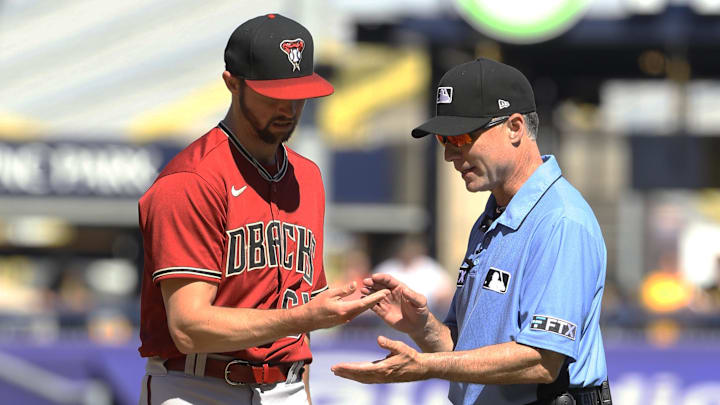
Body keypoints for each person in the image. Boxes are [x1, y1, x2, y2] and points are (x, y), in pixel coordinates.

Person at [137, 14, 388, 405]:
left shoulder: (308, 177)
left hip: (285, 387)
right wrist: (305, 318)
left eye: (298, 92)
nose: (288, 107)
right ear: (232, 83)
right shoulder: (192, 180)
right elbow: (189, 327)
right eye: (273, 93)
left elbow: (299, 323)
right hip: (198, 385)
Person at [332, 57, 613, 405]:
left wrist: (426, 365)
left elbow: (541, 361)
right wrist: (423, 328)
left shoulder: (560, 219)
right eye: (443, 140)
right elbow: (466, 350)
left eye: (462, 137)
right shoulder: (492, 217)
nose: (450, 153)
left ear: (514, 127)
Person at [373, 234, 453, 316]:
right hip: (391, 315)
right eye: (405, 249)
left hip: (427, 315)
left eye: (411, 249)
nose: (408, 252)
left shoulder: (431, 267)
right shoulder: (387, 268)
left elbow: (447, 293)